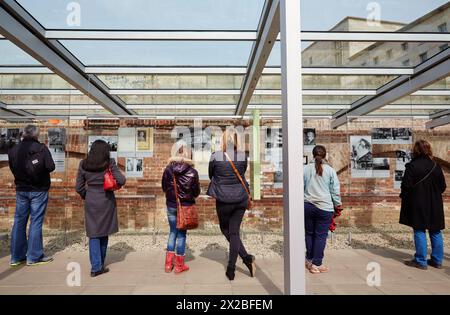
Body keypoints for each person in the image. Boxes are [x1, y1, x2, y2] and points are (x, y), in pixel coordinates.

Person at [207, 128, 255, 281]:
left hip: (223, 199)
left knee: (225, 229)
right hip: (240, 198)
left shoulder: (215, 156)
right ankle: (233, 267)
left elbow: (211, 175)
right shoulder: (243, 156)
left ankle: (244, 259)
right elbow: (241, 173)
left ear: (222, 140)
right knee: (234, 232)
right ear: (236, 140)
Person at [76, 140, 126, 277]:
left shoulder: (83, 164)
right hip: (106, 200)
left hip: (91, 200)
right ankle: (100, 264)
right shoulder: (109, 163)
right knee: (104, 232)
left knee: (93, 233)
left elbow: (78, 187)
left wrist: (88, 195)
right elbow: (121, 180)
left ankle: (96, 266)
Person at [8, 125, 55, 267]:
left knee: (19, 221)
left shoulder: (14, 150)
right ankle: (34, 256)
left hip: (21, 190)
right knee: (35, 222)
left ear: (23, 134)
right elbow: (51, 166)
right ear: (36, 135)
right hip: (39, 190)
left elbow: (12, 167)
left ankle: (16, 256)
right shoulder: (41, 148)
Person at [400, 140, 446, 270]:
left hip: (418, 203)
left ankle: (421, 260)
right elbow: (443, 187)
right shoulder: (436, 166)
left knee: (419, 230)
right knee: (436, 231)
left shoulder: (412, 166)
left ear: (416, 151)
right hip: (435, 204)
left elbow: (406, 186)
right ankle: (437, 260)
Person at [161, 142, 200, 274]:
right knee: (182, 235)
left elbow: (164, 188)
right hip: (186, 207)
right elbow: (196, 192)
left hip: (171, 205)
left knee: (172, 232)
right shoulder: (193, 172)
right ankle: (179, 266)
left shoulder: (168, 169)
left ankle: (168, 265)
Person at [304, 145, 342, 274]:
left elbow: (300, 187)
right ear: (325, 155)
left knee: (309, 233)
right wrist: (338, 205)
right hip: (325, 208)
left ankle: (309, 260)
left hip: (308, 206)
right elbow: (335, 191)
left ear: (312, 155)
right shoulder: (330, 171)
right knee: (320, 236)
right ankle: (317, 264)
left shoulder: (305, 169)